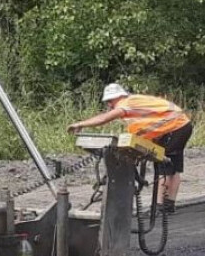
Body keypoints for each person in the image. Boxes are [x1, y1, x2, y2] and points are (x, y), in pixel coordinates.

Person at [67, 83, 194, 213]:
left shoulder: (126, 103)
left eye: (110, 101)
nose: (110, 105)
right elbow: (147, 131)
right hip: (181, 125)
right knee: (174, 166)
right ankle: (168, 206)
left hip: (174, 127)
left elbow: (105, 118)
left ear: (118, 96)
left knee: (163, 165)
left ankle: (160, 207)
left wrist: (81, 124)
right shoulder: (137, 107)